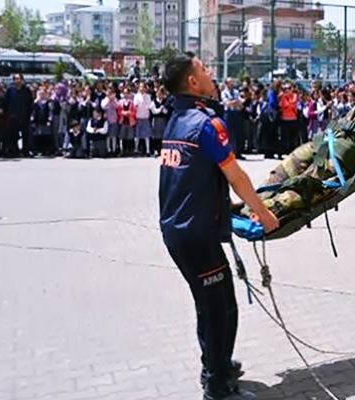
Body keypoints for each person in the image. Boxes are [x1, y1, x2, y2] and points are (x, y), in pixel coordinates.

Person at [158, 51, 279, 400]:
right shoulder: (206, 124)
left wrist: (225, 205)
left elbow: (192, 178)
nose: (211, 74)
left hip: (179, 232)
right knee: (220, 308)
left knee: (212, 302)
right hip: (197, 235)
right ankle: (217, 386)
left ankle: (217, 364)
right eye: (204, 70)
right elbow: (236, 176)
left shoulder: (177, 119)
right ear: (193, 82)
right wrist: (263, 213)